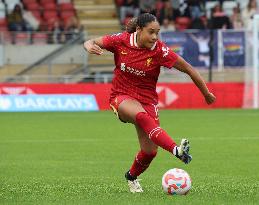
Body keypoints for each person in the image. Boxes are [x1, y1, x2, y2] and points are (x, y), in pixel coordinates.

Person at [83, 13, 216, 193]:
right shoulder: (120, 41)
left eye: (157, 33)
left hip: (147, 101)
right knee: (141, 116)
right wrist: (89, 46)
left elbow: (189, 69)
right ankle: (177, 150)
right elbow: (91, 42)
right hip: (121, 96)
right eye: (151, 32)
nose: (154, 37)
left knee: (149, 152)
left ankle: (131, 177)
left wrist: (206, 93)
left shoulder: (160, 50)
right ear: (139, 30)